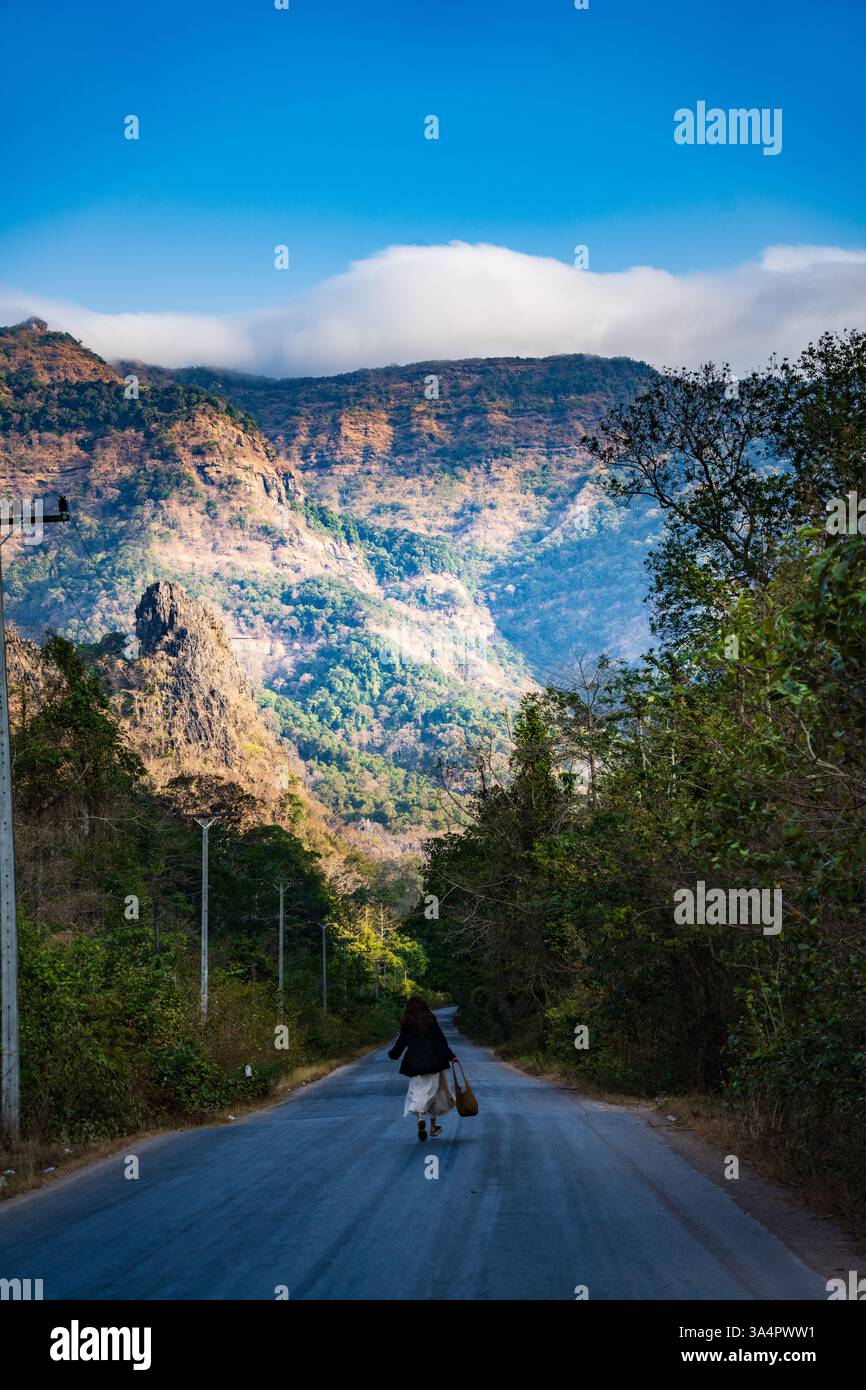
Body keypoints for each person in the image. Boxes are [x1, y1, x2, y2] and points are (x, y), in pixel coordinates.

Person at [388, 997, 457, 1140]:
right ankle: (433, 1125)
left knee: (418, 1091)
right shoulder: (431, 1022)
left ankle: (421, 1119)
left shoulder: (408, 1025)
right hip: (434, 1063)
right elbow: (441, 1042)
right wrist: (451, 1056)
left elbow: (400, 1044)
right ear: (425, 1007)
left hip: (415, 1066)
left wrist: (393, 1054)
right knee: (435, 1092)